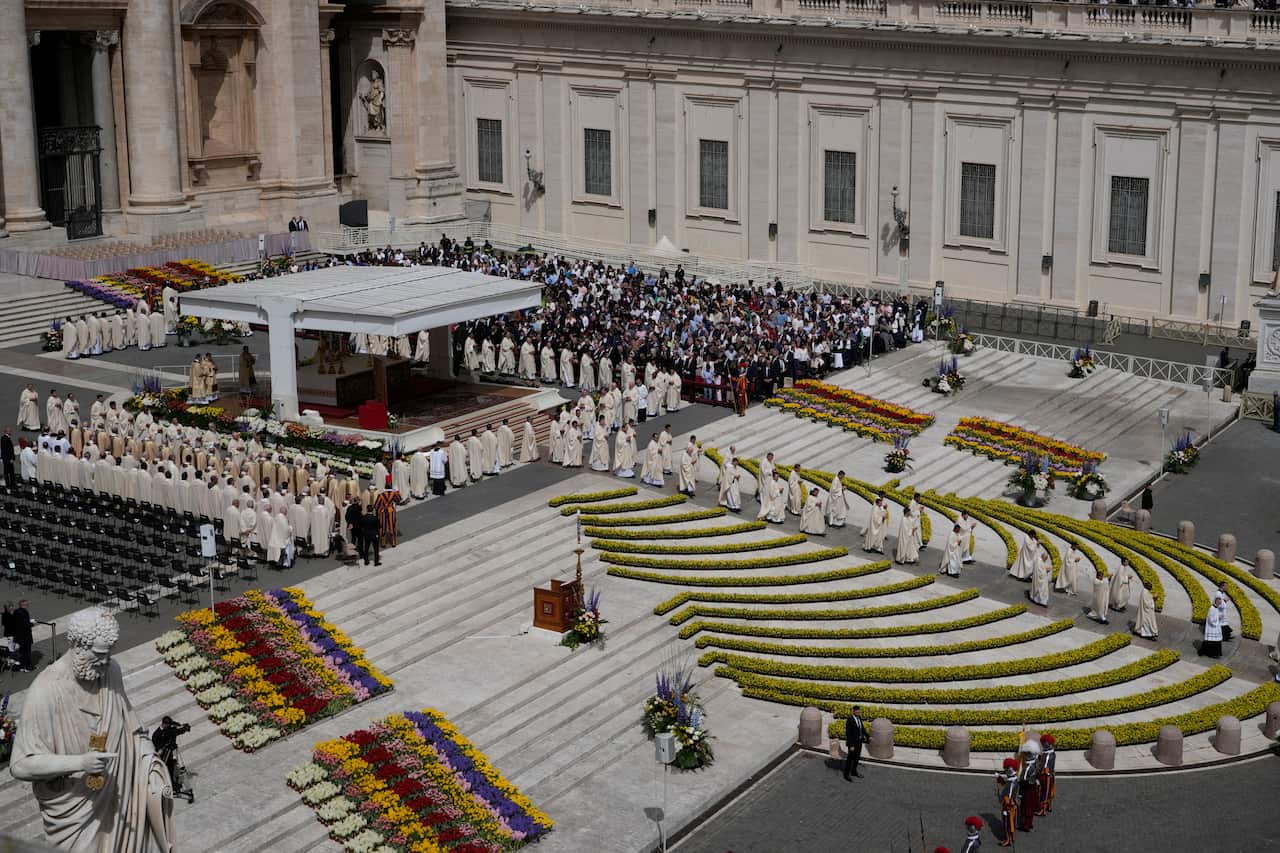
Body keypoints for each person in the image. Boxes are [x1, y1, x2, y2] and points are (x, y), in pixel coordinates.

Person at [10, 607, 177, 853]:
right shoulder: (45, 691)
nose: (106, 661)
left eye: (110, 653)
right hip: (76, 811)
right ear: (77, 645)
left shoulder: (110, 672)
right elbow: (21, 765)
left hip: (120, 797)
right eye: (99, 654)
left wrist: (149, 762)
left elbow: (133, 728)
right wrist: (80, 763)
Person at [150, 716, 193, 803]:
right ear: (164, 724)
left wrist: (184, 728)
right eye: (168, 725)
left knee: (172, 767)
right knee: (164, 769)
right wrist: (161, 748)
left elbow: (177, 731)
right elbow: (154, 744)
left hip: (170, 752)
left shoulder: (169, 730)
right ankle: (165, 784)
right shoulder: (157, 733)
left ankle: (174, 784)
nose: (169, 726)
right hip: (164, 755)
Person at [996, 757, 1018, 847]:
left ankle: (1007, 840)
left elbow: (1009, 796)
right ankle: (1010, 837)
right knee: (1009, 823)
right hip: (1008, 806)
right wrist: (1000, 779)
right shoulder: (1011, 780)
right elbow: (1006, 786)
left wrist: (1005, 805)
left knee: (1007, 824)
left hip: (1008, 807)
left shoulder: (1013, 782)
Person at [842, 705, 869, 780]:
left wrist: (867, 736)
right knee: (850, 759)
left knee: (857, 758)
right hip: (853, 743)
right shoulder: (850, 720)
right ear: (853, 711)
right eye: (857, 711)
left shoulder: (859, 718)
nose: (858, 712)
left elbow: (862, 728)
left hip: (859, 742)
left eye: (859, 711)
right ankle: (846, 774)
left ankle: (854, 771)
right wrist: (851, 745)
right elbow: (848, 734)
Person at [1035, 734, 1057, 816]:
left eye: (1044, 743)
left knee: (1044, 792)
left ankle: (1042, 810)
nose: (1043, 744)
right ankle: (1049, 806)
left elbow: (1044, 767)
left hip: (1045, 776)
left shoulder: (1048, 755)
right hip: (1051, 775)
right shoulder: (1051, 752)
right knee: (1049, 792)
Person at [11, 598, 34, 671]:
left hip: (18, 636)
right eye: (27, 604)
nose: (28, 605)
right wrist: (32, 623)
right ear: (23, 605)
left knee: (21, 651)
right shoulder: (24, 612)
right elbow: (25, 624)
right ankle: (28, 667)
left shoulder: (16, 611)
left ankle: (21, 666)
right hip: (25, 636)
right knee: (27, 652)